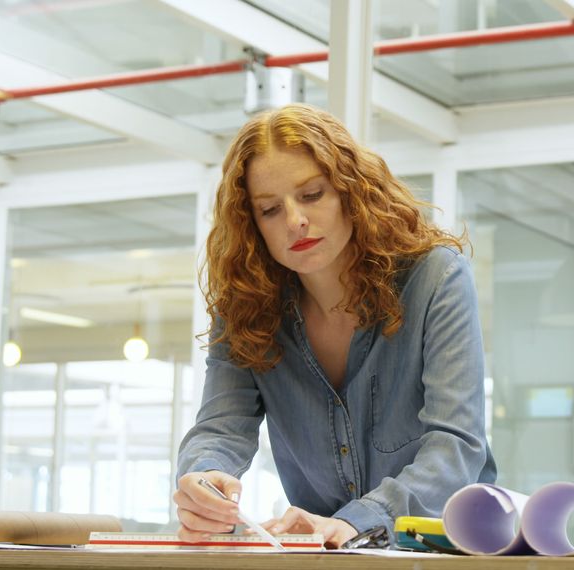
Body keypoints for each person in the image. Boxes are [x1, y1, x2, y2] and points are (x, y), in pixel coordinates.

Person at [172, 103, 496, 548]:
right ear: (253, 225)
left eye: (311, 195)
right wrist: (206, 479)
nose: (295, 221)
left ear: (351, 190)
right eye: (269, 209)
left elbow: (456, 445)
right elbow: (219, 429)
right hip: (326, 556)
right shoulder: (245, 306)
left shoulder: (436, 277)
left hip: (446, 551)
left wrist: (361, 518)